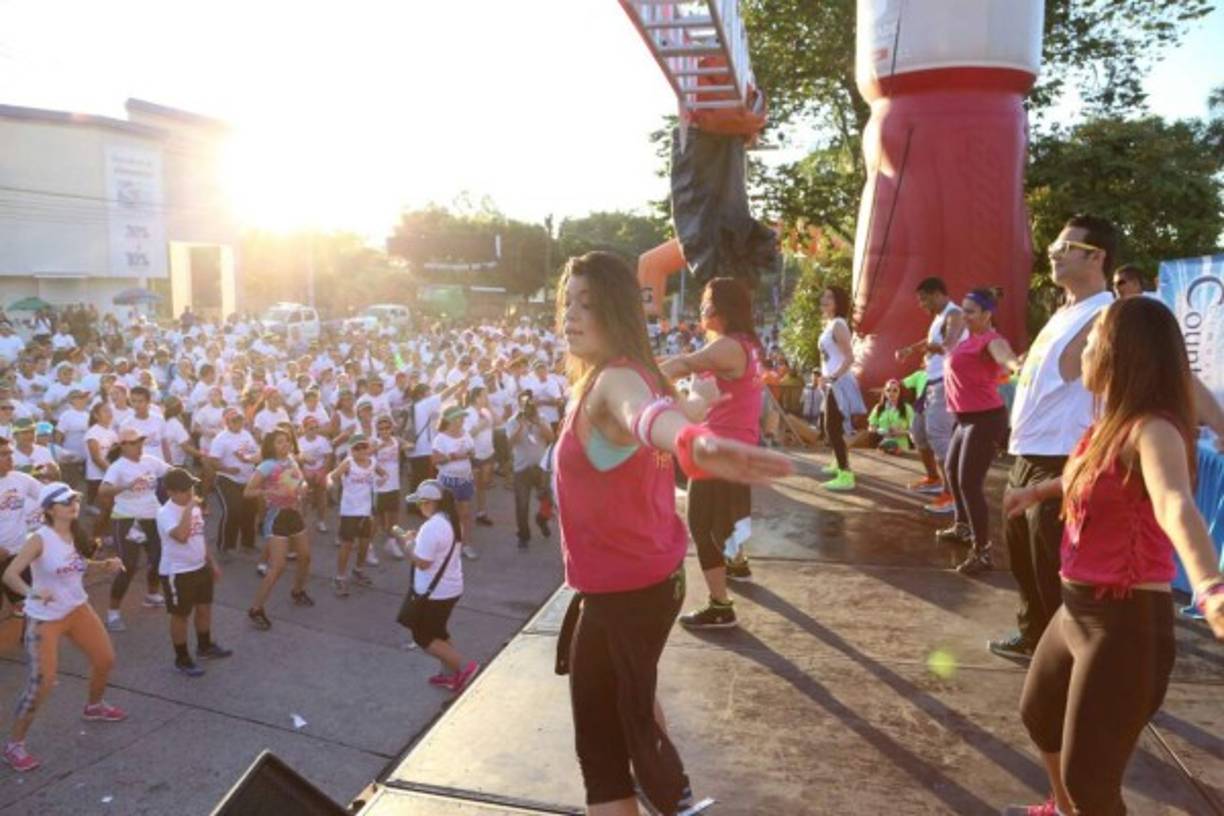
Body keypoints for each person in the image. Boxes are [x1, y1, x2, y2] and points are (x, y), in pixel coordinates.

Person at [552, 252, 790, 816]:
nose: (571, 315)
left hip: (623, 596)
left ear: (616, 309)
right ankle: (668, 787)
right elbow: (671, 408)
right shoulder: (637, 371)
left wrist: (690, 442)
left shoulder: (616, 381)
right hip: (645, 584)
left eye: (588, 304)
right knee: (630, 698)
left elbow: (647, 417)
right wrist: (697, 413)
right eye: (567, 302)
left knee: (602, 755)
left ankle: (662, 787)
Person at [1002, 296, 1224, 816]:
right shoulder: (1108, 426)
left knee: (1091, 783)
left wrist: (1211, 588)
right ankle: (1062, 811)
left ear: (1121, 353)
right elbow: (1086, 478)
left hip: (1125, 625)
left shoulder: (1155, 430)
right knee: (1039, 716)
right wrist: (1036, 492)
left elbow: (1173, 503)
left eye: (1091, 340)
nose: (1082, 351)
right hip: (1076, 611)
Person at [988, 214, 1118, 662]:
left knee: (1053, 572)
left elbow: (1157, 378)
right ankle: (1034, 639)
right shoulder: (1063, 312)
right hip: (1026, 455)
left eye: (1066, 248)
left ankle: (1065, 664)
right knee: (1024, 563)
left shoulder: (1108, 316)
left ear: (1096, 257)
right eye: (1053, 249)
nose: (1054, 255)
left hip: (1062, 459)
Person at [660, 277, 763, 630]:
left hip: (720, 449)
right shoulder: (743, 344)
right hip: (735, 446)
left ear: (721, 309)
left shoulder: (728, 347)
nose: (701, 309)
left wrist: (640, 378)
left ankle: (720, 605)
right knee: (728, 517)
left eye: (705, 303)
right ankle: (736, 562)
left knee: (701, 526)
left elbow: (681, 364)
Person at [2, 482, 126, 773]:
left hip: (77, 608)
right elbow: (9, 575)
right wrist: (32, 593)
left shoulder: (75, 532)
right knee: (42, 683)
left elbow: (77, 563)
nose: (73, 505)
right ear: (49, 510)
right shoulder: (39, 539)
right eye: (66, 501)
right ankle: (14, 745)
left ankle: (94, 706)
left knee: (105, 659)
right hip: (45, 618)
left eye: (74, 500)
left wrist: (103, 565)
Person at [937, 288, 1022, 575]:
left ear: (987, 314)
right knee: (952, 471)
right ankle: (962, 527)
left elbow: (1005, 356)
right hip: (964, 419)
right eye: (963, 309)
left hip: (985, 419)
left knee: (969, 482)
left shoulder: (991, 340)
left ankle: (982, 551)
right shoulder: (968, 340)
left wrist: (1015, 365)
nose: (964, 315)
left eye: (971, 311)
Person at [395, 479, 478, 691]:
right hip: (449, 588)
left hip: (435, 593)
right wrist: (418, 541)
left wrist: (407, 544)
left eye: (420, 503)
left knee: (423, 636)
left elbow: (423, 562)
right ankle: (449, 674)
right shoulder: (451, 521)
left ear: (430, 503)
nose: (419, 507)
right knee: (438, 632)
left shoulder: (432, 527)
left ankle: (465, 667)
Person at [894, 276, 967, 514]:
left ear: (937, 294)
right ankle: (934, 479)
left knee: (939, 437)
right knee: (918, 432)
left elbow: (949, 345)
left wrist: (929, 349)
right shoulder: (938, 317)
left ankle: (953, 494)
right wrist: (911, 349)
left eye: (924, 299)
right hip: (931, 382)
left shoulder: (954, 314)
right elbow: (931, 342)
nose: (921, 305)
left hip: (946, 382)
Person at [156, 468, 232, 675]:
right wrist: (189, 509)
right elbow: (181, 536)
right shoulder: (165, 513)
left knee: (204, 608)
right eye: (184, 490)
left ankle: (204, 647)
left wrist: (211, 563)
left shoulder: (194, 509)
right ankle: (181, 659)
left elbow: (199, 536)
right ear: (170, 492)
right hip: (177, 572)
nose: (190, 492)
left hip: (200, 567)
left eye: (191, 487)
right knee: (180, 615)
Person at [100, 427, 170, 631]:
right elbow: (104, 490)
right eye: (133, 443)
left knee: (158, 558)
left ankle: (152, 595)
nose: (139, 445)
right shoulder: (118, 467)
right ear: (123, 446)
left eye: (140, 441)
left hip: (153, 517)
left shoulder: (150, 461)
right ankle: (113, 613)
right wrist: (126, 486)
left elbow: (171, 472)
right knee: (128, 566)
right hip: (126, 519)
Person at [244, 429, 314, 628]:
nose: (285, 445)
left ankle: (297, 591)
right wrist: (268, 491)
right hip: (276, 518)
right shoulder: (267, 465)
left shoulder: (290, 460)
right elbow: (248, 492)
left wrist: (303, 487)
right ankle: (256, 609)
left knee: (305, 557)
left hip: (294, 513)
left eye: (287, 441)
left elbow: (300, 481)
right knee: (278, 566)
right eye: (280, 442)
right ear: (271, 446)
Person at [817, 286, 865, 491]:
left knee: (832, 428)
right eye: (824, 296)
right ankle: (838, 462)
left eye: (830, 297)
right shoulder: (829, 324)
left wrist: (834, 377)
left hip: (839, 383)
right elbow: (828, 357)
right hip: (831, 382)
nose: (825, 300)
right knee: (831, 426)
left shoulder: (838, 324)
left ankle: (846, 475)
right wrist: (823, 377)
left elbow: (850, 357)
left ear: (839, 302)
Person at [328, 433, 382, 596]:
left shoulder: (372, 462)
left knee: (365, 544)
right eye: (357, 448)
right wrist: (331, 483)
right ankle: (339, 577)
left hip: (366, 511)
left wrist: (383, 479)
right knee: (347, 544)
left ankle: (358, 571)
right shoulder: (348, 463)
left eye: (364, 447)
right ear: (351, 450)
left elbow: (383, 473)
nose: (361, 451)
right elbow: (332, 476)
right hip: (349, 511)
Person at [0, 438, 44, 618]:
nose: (10, 457)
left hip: (17, 554)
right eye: (3, 454)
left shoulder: (21, 479)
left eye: (10, 453)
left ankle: (29, 634)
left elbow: (49, 497)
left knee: (27, 604)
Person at [505, 390, 555, 548]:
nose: (527, 408)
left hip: (541, 468)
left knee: (548, 500)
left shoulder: (542, 418)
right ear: (519, 404)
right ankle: (523, 535)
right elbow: (509, 444)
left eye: (530, 404)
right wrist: (520, 426)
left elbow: (552, 438)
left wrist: (538, 423)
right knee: (522, 504)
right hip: (522, 469)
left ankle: (541, 519)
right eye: (524, 404)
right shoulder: (513, 421)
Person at [208, 408, 259, 556]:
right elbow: (212, 460)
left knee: (250, 511)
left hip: (247, 480)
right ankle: (225, 546)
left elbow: (255, 452)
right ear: (227, 422)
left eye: (240, 420)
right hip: (227, 480)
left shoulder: (247, 434)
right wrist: (227, 469)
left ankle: (248, 544)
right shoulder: (221, 438)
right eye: (234, 421)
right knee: (233, 511)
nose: (238, 423)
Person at [432, 406, 477, 559]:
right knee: (448, 516)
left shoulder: (465, 433)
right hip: (448, 482)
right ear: (450, 420)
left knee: (465, 514)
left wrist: (470, 453)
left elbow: (472, 451)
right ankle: (447, 547)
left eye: (463, 418)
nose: (462, 421)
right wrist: (453, 457)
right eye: (459, 418)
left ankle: (465, 545)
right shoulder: (440, 438)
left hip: (465, 479)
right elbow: (435, 460)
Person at [372, 413, 405, 558]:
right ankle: (368, 547)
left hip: (394, 485)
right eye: (381, 428)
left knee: (394, 515)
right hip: (379, 486)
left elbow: (408, 445)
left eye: (387, 428)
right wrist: (378, 448)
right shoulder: (374, 442)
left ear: (391, 428)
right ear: (377, 430)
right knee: (376, 520)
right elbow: (368, 458)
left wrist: (407, 445)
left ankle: (391, 542)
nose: (385, 431)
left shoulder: (396, 441)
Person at [464, 386, 497, 528]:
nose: (486, 398)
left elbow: (499, 421)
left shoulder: (486, 411)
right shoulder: (467, 413)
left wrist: (489, 407)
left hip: (488, 453)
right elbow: (467, 435)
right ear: (476, 398)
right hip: (474, 455)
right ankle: (464, 515)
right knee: (472, 486)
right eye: (484, 395)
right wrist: (480, 426)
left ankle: (481, 513)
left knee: (483, 485)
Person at [297, 416, 334, 533]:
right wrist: (304, 471)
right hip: (305, 471)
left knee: (321, 496)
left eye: (316, 427)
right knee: (303, 497)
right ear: (304, 429)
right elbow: (297, 460)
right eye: (311, 428)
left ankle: (321, 521)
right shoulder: (299, 442)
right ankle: (302, 522)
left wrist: (323, 472)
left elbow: (328, 457)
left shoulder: (323, 440)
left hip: (320, 469)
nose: (314, 430)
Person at [865, 379, 914, 453]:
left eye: (895, 390)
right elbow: (871, 427)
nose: (891, 393)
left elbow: (914, 430)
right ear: (885, 392)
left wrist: (901, 432)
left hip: (902, 449)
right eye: (888, 390)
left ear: (900, 392)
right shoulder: (878, 408)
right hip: (882, 448)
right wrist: (879, 430)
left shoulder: (907, 408)